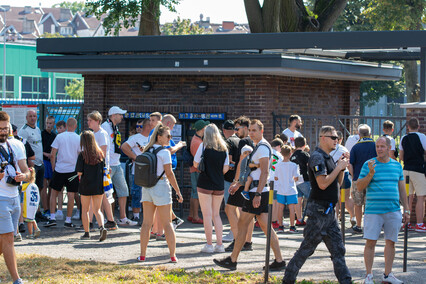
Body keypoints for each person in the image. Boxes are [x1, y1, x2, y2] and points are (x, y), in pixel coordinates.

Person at [283, 126, 352, 284]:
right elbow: (322, 183)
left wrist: (341, 167)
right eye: (333, 138)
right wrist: (338, 168)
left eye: (337, 138)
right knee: (307, 248)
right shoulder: (317, 157)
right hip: (319, 211)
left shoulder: (328, 157)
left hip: (329, 212)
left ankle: (346, 280)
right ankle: (288, 279)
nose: (337, 140)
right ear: (323, 138)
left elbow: (338, 183)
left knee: (338, 250)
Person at [214, 119, 285, 271]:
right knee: (264, 228)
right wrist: (239, 183)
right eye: (250, 130)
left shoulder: (263, 148)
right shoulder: (258, 147)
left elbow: (265, 172)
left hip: (257, 193)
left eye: (254, 130)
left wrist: (258, 194)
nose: (252, 133)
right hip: (257, 191)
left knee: (243, 225)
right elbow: (254, 171)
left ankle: (232, 260)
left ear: (261, 131)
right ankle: (279, 260)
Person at [357, 136, 409, 284]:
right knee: (370, 243)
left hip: (393, 210)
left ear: (388, 148)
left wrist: (406, 210)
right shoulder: (369, 164)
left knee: (391, 243)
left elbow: (402, 190)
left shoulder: (397, 165)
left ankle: (388, 275)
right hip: (373, 211)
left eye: (382, 146)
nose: (379, 149)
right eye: (377, 146)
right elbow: (359, 187)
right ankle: (368, 275)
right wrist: (371, 173)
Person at [138, 123, 183, 263]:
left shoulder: (146, 149)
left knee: (146, 223)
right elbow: (169, 174)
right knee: (167, 223)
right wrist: (178, 191)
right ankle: (172, 255)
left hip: (146, 187)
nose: (170, 138)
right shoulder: (165, 153)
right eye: (168, 136)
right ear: (159, 137)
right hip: (161, 187)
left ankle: (142, 255)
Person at [0, 111, 30, 284]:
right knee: (9, 238)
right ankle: (16, 280)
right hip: (1, 198)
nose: (3, 132)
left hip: (14, 196)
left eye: (5, 128)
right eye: (0, 129)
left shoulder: (16, 145)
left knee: (3, 241)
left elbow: (27, 170)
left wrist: (23, 176)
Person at [193, 124, 229, 253]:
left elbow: (195, 163)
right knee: (216, 215)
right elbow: (225, 168)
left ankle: (209, 245)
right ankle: (220, 245)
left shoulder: (203, 146)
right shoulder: (224, 149)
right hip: (219, 183)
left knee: (207, 215)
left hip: (204, 183)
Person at [101, 106, 137, 226]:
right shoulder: (105, 127)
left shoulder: (114, 127)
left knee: (123, 191)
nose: (122, 116)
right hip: (109, 165)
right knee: (106, 192)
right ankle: (104, 218)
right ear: (113, 115)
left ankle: (123, 217)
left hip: (116, 163)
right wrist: (105, 164)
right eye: (120, 114)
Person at [224, 116, 254, 252]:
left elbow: (243, 164)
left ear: (246, 128)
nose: (236, 131)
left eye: (238, 128)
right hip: (251, 181)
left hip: (242, 182)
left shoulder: (244, 142)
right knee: (248, 213)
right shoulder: (255, 142)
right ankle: (247, 242)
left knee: (230, 209)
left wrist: (236, 182)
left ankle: (238, 240)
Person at [45, 118, 81, 228]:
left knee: (54, 193)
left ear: (66, 125)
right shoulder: (78, 138)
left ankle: (52, 218)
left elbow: (53, 153)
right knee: (71, 194)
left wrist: (53, 167)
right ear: (75, 126)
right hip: (72, 170)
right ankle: (68, 220)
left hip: (59, 169)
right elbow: (80, 154)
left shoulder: (59, 137)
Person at [87, 111, 117, 230]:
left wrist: (101, 166)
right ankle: (110, 220)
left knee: (93, 195)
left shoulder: (101, 134)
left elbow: (103, 152)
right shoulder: (95, 133)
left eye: (90, 120)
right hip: (99, 167)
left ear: (97, 121)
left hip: (100, 168)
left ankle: (90, 222)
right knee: (103, 195)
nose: (88, 122)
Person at [76, 131, 108, 242]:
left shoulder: (83, 155)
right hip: (98, 185)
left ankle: (86, 233)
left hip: (86, 185)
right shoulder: (100, 154)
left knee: (85, 210)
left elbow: (79, 172)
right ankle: (102, 227)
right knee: (97, 209)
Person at [121, 119, 151, 224]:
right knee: (136, 192)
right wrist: (136, 157)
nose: (138, 128)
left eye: (140, 126)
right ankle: (136, 216)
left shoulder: (153, 138)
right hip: (138, 170)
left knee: (149, 193)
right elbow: (124, 147)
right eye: (137, 127)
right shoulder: (134, 138)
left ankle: (148, 217)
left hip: (151, 171)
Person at [399, 117, 426, 232]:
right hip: (419, 170)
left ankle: (407, 222)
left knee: (408, 197)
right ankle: (419, 224)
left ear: (408, 127)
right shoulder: (422, 137)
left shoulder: (403, 138)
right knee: (421, 198)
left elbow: (401, 157)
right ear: (418, 126)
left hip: (406, 170)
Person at [349, 124, 376, 234]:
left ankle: (359, 225)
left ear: (359, 135)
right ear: (370, 134)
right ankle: (370, 225)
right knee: (370, 203)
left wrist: (354, 175)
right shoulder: (375, 145)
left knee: (358, 203)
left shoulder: (355, 147)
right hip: (372, 178)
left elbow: (350, 164)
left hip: (358, 178)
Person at [330, 131, 355, 226]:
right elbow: (348, 164)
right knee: (347, 198)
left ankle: (335, 220)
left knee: (335, 199)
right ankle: (353, 217)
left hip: (333, 175)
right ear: (341, 139)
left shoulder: (329, 149)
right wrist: (352, 175)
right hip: (344, 175)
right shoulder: (344, 149)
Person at [18, 109, 44, 197]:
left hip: (40, 163)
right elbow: (22, 147)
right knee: (30, 187)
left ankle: (38, 208)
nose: (32, 118)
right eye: (30, 116)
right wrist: (28, 160)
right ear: (26, 118)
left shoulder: (37, 129)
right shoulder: (24, 131)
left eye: (34, 116)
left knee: (40, 187)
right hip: (32, 164)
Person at [275, 145, 300, 233]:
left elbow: (276, 177)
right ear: (290, 154)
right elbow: (296, 178)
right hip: (291, 189)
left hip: (281, 189)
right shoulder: (294, 165)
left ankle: (280, 226)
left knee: (280, 208)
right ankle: (292, 226)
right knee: (292, 208)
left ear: (281, 153)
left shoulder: (277, 165)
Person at [188, 120, 208, 224]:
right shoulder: (198, 142)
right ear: (202, 129)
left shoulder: (196, 139)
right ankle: (195, 216)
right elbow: (199, 160)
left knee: (193, 192)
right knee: (196, 193)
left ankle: (191, 215)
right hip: (197, 170)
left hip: (194, 170)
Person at [222, 119, 240, 242]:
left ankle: (233, 232)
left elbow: (229, 163)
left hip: (229, 179)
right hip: (238, 179)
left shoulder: (228, 142)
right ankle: (237, 232)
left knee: (230, 208)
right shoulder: (240, 141)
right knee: (237, 207)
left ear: (224, 130)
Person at [290, 136, 311, 226]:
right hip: (305, 179)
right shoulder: (305, 154)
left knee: (298, 200)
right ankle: (311, 217)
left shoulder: (292, 156)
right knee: (311, 198)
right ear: (304, 144)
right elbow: (309, 165)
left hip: (295, 180)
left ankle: (299, 218)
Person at [41, 116, 56, 219]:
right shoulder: (41, 134)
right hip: (44, 161)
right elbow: (38, 149)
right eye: (47, 123)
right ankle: (45, 209)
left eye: (50, 123)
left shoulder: (55, 135)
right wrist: (46, 154)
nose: (49, 125)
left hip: (51, 161)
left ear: (53, 124)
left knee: (52, 186)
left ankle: (51, 209)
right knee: (44, 185)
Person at [21, 167, 41, 239]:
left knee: (29, 219)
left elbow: (19, 190)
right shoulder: (34, 185)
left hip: (27, 204)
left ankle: (30, 233)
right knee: (32, 218)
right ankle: (36, 228)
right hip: (34, 204)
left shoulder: (25, 185)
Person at [269, 138, 284, 229]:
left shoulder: (267, 152)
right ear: (278, 146)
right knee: (275, 202)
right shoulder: (279, 155)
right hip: (276, 182)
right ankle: (274, 220)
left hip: (267, 181)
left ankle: (267, 219)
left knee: (269, 200)